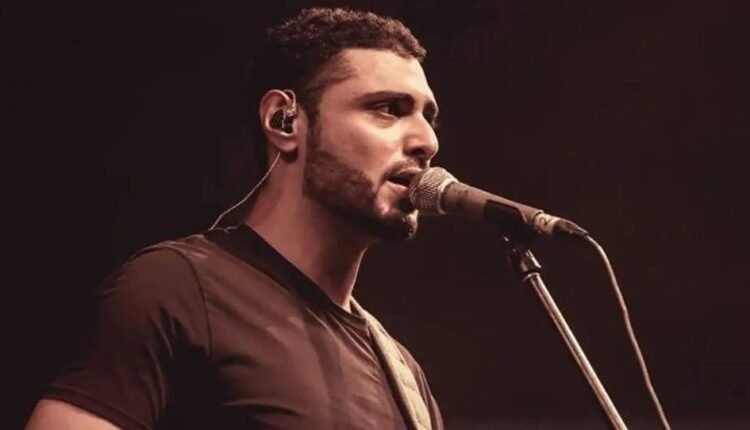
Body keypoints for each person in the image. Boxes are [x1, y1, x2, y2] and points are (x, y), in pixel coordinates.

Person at [26, 7, 443, 430]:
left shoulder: (405, 375)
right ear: (284, 120)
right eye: (388, 108)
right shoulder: (175, 291)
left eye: (428, 118)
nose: (427, 141)